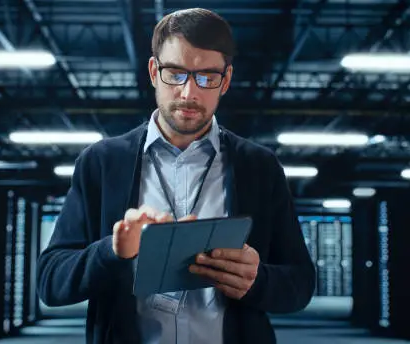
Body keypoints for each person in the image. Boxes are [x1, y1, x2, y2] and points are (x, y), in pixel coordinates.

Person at [37, 8, 315, 344]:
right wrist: (112, 251)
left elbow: (300, 283)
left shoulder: (259, 166)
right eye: (176, 73)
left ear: (225, 80)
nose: (189, 93)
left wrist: (258, 280)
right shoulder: (101, 163)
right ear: (154, 71)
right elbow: (50, 282)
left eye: (207, 77)